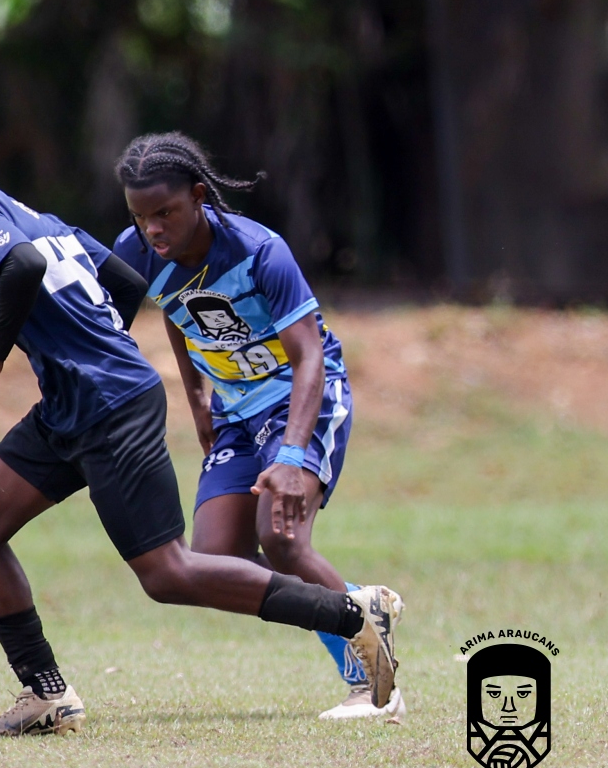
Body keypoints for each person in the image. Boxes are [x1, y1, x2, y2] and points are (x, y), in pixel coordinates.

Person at [0, 101, 401, 738]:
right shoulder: (22, 211)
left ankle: (353, 614)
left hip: (109, 404)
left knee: (169, 574)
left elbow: (25, 266)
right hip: (75, 403)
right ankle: (46, 695)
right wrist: (104, 349)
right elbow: (128, 281)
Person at [111, 131, 404, 721]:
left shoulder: (259, 251)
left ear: (199, 196)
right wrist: (196, 397)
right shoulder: (138, 250)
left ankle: (376, 686)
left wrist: (292, 456)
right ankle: (358, 603)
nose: (153, 230)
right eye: (141, 218)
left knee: (283, 539)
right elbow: (171, 308)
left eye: (165, 213)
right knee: (215, 559)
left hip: (301, 398)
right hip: (233, 410)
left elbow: (309, 357)